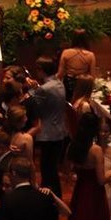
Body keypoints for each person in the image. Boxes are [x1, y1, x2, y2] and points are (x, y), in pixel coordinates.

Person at [28, 57, 67, 197]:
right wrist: (37, 88)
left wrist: (30, 89)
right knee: (52, 169)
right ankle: (56, 197)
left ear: (41, 70)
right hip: (59, 131)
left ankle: (49, 198)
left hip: (48, 133)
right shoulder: (59, 83)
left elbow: (34, 107)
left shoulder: (44, 89)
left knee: (47, 171)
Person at [56, 30, 96, 99]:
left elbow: (60, 73)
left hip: (68, 83)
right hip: (83, 84)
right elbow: (92, 76)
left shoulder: (66, 52)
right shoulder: (90, 55)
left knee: (68, 103)